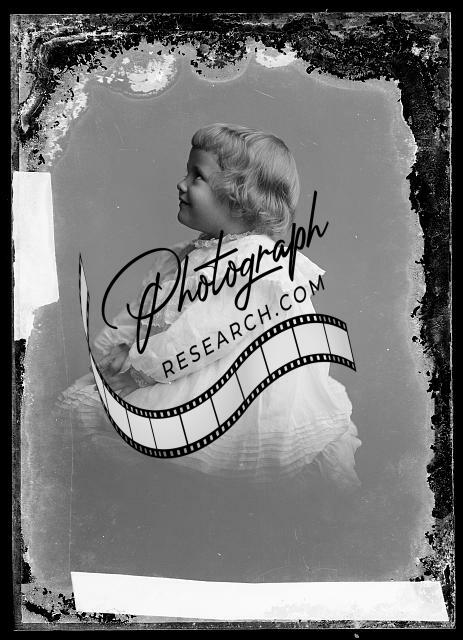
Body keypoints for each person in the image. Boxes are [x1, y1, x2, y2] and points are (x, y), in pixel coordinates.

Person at [56, 123, 361, 495]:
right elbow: (145, 311)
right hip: (187, 366)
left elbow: (199, 336)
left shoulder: (254, 262)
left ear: (238, 197)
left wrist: (136, 371)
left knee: (93, 414)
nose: (181, 184)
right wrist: (112, 349)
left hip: (239, 393)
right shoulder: (191, 254)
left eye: (196, 176)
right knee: (89, 404)